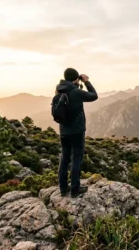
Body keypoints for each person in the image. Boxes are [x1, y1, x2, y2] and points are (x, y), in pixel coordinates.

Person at [56, 68, 98, 197]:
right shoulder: (76, 92)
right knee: (76, 158)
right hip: (77, 131)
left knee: (64, 158)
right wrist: (86, 82)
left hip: (63, 130)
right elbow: (94, 95)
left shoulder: (59, 89)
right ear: (75, 79)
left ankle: (63, 188)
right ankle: (75, 189)